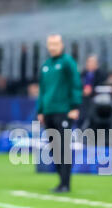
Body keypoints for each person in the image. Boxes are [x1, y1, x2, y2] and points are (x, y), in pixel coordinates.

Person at [37, 34, 82, 193]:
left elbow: (75, 84)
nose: (52, 47)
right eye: (50, 44)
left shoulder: (67, 62)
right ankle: (60, 181)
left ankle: (65, 183)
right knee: (53, 148)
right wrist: (40, 110)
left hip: (64, 111)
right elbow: (42, 90)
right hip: (48, 112)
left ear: (61, 45)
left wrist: (75, 107)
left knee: (63, 147)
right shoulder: (46, 65)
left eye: (55, 44)